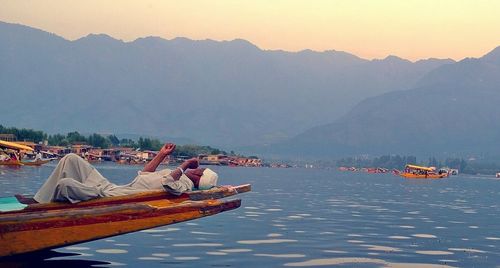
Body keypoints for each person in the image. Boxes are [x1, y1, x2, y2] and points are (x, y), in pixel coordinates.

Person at [33, 143, 218, 204]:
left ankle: (40, 208)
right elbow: (144, 175)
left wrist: (185, 164)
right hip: (113, 186)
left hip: (113, 195)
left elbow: (169, 184)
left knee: (64, 184)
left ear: (199, 178)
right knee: (71, 159)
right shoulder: (181, 175)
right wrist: (162, 155)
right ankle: (38, 202)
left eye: (200, 170)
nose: (198, 168)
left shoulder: (185, 184)